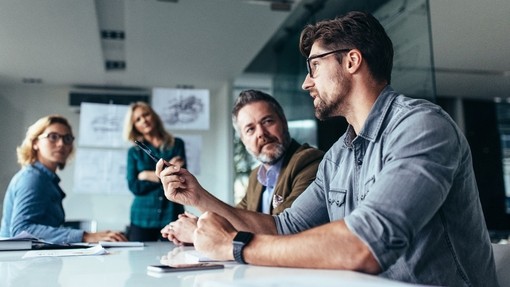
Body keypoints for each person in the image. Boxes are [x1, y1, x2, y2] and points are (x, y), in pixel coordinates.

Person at [156, 11, 499, 286]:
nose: (307, 82)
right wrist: (198, 197)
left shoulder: (422, 127)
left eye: (315, 66)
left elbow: (365, 244)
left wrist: (234, 246)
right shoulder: (338, 155)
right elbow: (283, 227)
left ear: (351, 62)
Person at [160, 90, 324, 244]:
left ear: (284, 123)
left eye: (267, 121)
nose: (261, 133)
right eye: (250, 129)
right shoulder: (256, 176)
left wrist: (197, 231)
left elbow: (283, 231)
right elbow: (235, 220)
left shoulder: (309, 162)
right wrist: (199, 222)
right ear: (243, 140)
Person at [0, 115, 127, 243]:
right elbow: (22, 230)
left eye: (67, 139)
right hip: (19, 261)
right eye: (53, 137)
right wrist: (85, 236)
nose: (61, 144)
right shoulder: (32, 178)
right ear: (35, 143)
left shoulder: (47, 179)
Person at [123, 101, 186, 241]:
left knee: (174, 257)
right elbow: (134, 186)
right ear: (134, 126)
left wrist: (146, 175)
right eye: (138, 119)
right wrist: (164, 175)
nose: (144, 120)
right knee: (138, 261)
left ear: (153, 116)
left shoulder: (176, 144)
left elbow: (179, 179)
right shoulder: (134, 152)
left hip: (171, 214)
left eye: (146, 115)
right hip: (142, 217)